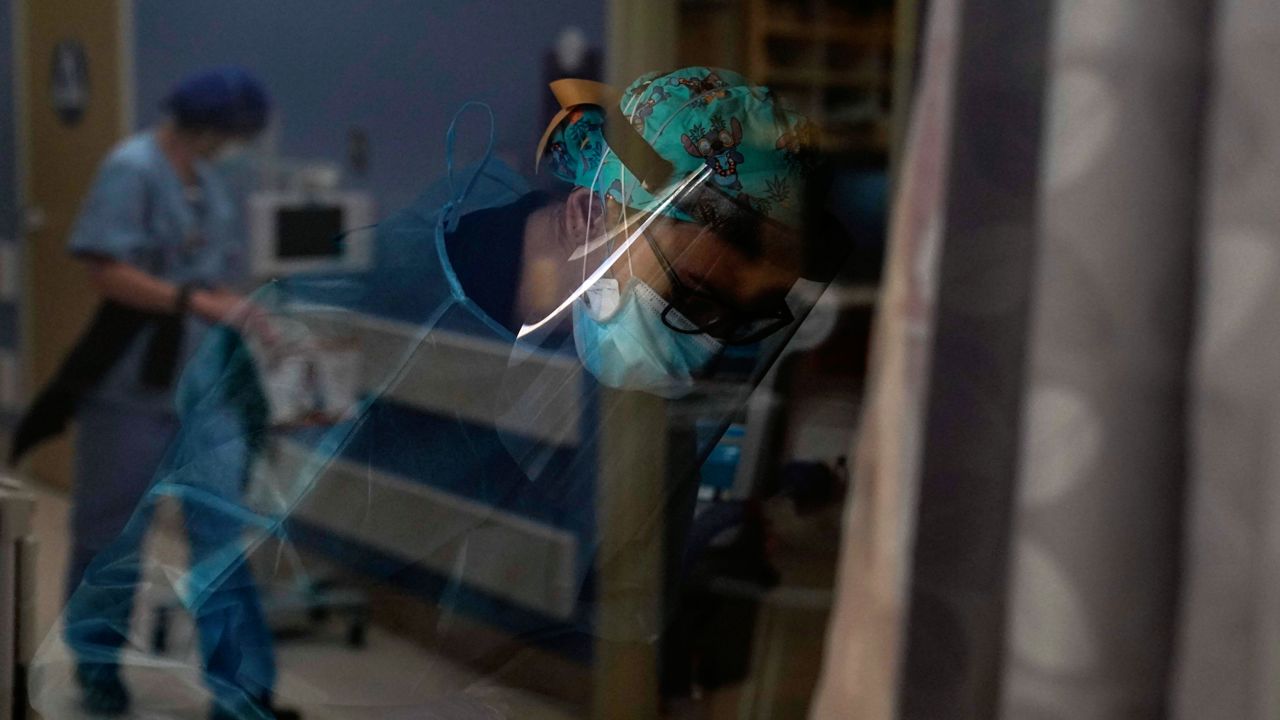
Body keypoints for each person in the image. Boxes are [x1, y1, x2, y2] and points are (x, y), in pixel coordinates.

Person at [34, 66, 846, 718]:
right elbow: (231, 550)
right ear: (593, 216)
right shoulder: (359, 312)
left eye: (748, 318)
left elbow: (586, 622)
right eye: (695, 299)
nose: (705, 346)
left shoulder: (616, 365)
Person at [33, 66, 282, 718]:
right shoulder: (133, 168)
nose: (235, 147)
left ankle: (240, 690)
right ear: (208, 126)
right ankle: (97, 665)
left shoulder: (208, 185)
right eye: (233, 134)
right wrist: (191, 300)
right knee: (110, 538)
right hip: (130, 394)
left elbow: (213, 280)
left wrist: (251, 316)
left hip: (204, 391)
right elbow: (106, 271)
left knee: (222, 540)